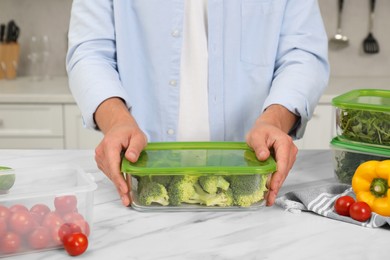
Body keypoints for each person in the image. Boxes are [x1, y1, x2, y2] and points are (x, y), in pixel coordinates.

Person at [66, 0, 329, 207]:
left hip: (253, 184)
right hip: (140, 182)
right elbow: (89, 52)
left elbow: (303, 54)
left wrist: (275, 120)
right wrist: (116, 121)